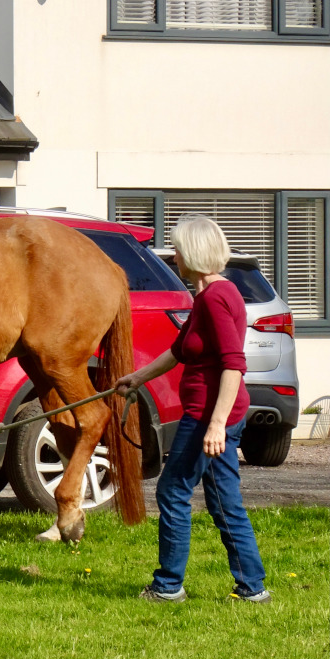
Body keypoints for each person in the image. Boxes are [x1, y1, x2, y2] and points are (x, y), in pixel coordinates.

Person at [115, 214, 270, 604]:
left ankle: (168, 586)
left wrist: (216, 425)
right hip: (216, 414)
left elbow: (234, 363)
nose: (174, 258)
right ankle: (253, 588)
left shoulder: (217, 297)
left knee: (171, 491)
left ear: (192, 253)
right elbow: (179, 351)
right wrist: (137, 377)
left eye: (178, 250)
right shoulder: (210, 295)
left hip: (209, 416)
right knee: (223, 500)